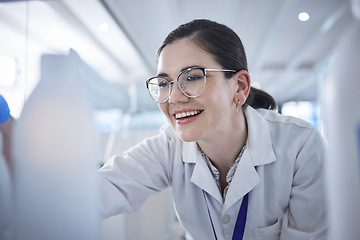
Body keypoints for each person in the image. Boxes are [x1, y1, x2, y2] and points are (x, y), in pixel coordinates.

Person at [1, 19, 328, 239]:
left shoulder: (300, 146)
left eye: (192, 77)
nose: (173, 98)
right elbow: (95, 193)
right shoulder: (168, 147)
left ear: (239, 87)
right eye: (164, 82)